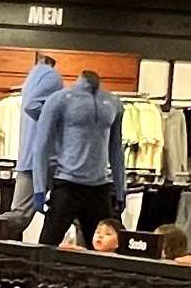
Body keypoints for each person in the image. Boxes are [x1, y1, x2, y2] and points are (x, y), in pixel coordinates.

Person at [32, 68, 126, 250]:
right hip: (67, 184)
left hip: (99, 187)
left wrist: (121, 188)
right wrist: (38, 188)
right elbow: (41, 146)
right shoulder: (59, 99)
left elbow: (116, 148)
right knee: (46, 248)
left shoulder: (113, 103)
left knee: (104, 252)